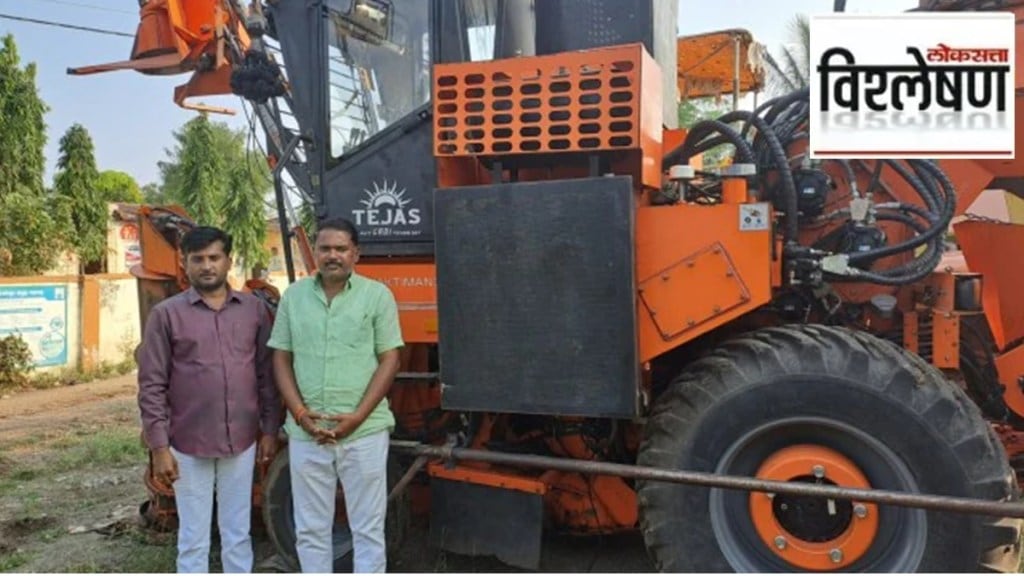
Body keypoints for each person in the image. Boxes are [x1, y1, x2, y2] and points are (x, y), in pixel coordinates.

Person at [137, 226, 281, 573]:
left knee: (237, 532)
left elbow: (266, 375)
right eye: (197, 259)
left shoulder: (252, 311)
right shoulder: (167, 315)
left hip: (242, 441)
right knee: (193, 537)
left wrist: (269, 429)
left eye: (214, 257)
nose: (206, 265)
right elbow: (151, 384)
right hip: (187, 444)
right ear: (185, 263)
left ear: (228, 261)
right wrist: (159, 448)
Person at [267, 217, 403, 573]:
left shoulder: (377, 296)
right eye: (325, 248)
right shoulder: (294, 298)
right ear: (314, 251)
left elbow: (390, 359)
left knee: (368, 528)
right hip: (307, 433)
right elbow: (281, 357)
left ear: (355, 254)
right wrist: (299, 413)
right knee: (311, 528)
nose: (332, 255)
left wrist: (357, 416)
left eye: (341, 248)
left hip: (364, 432)